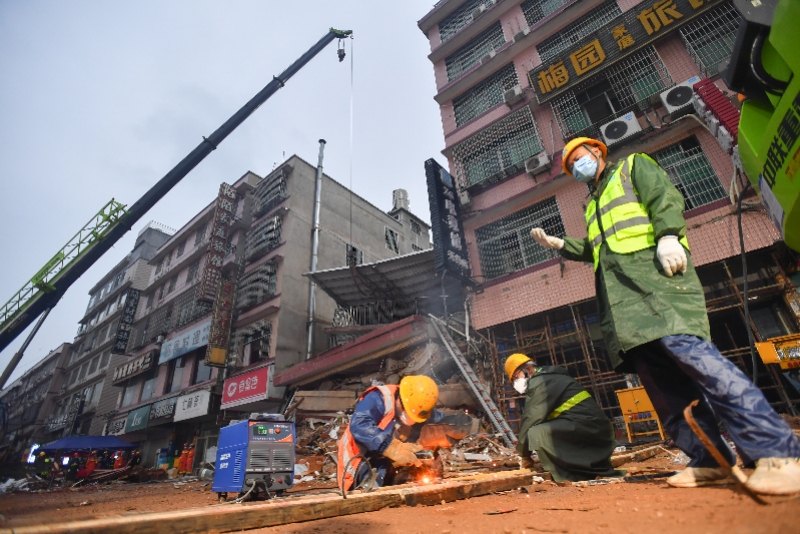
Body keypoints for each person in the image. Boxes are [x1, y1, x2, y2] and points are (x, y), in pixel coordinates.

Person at [529, 137, 800, 495]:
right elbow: (600, 249)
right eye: (571, 166)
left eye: (580, 158)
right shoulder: (591, 205)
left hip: (659, 286)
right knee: (665, 390)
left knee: (703, 367)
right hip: (625, 307)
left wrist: (669, 235)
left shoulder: (632, 167)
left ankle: (778, 454)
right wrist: (562, 245)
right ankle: (709, 461)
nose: (577, 166)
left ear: (597, 152)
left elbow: (664, 198)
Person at [506, 353, 621, 482]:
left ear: (527, 369)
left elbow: (531, 419)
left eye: (516, 377)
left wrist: (523, 455)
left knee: (536, 433)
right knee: (541, 429)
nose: (516, 382)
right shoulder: (550, 378)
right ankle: (575, 468)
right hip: (591, 427)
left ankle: (567, 474)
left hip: (588, 428)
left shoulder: (540, 382)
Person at [337, 375, 444, 491]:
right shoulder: (378, 398)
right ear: (400, 398)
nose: (410, 419)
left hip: (387, 463)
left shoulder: (421, 406)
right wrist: (391, 447)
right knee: (372, 496)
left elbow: (439, 425)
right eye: (406, 412)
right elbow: (360, 425)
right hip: (360, 462)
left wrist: (432, 453)